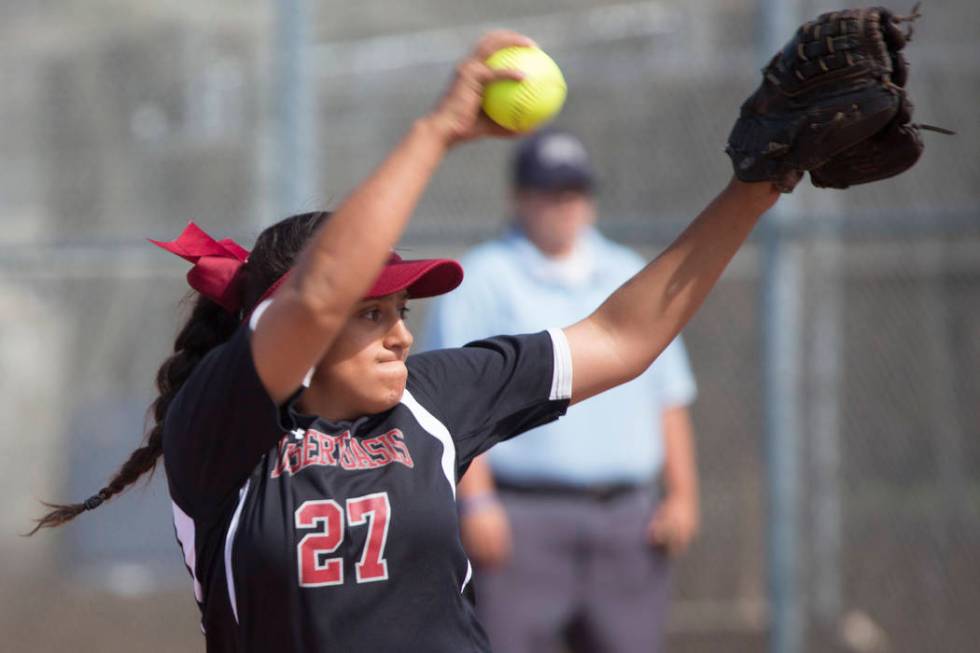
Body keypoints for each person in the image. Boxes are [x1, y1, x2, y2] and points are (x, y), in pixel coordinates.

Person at [28, 29, 781, 653]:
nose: (401, 334)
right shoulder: (223, 429)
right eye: (373, 313)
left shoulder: (430, 400)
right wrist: (437, 131)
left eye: (400, 310)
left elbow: (623, 336)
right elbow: (319, 295)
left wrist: (762, 181)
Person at [421, 128, 700, 653]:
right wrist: (476, 502)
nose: (564, 205)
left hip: (628, 519)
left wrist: (682, 495)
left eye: (574, 191)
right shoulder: (482, 278)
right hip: (522, 518)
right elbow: (455, 408)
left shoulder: (625, 270)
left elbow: (669, 394)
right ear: (518, 197)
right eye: (549, 192)